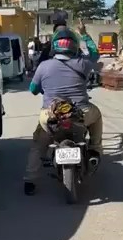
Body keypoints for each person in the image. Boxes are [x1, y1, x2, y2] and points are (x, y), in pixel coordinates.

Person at [23, 26, 103, 195]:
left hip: (51, 115)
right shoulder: (82, 64)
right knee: (97, 116)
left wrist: (44, 89)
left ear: (54, 46)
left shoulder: (44, 66)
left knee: (39, 145)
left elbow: (32, 89)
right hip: (80, 114)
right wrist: (85, 35)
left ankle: (30, 181)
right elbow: (95, 54)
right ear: (74, 46)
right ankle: (95, 148)